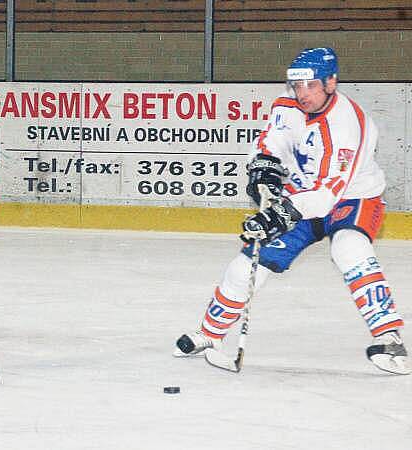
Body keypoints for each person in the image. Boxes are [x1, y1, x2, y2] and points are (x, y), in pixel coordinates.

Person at [174, 47, 410, 374]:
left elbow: (327, 196)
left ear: (331, 82)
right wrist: (264, 169)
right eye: (297, 86)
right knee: (245, 267)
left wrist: (279, 213)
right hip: (299, 197)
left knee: (349, 248)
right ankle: (210, 335)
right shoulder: (287, 102)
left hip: (352, 198)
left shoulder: (349, 125)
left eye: (311, 86)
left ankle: (390, 338)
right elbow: (273, 141)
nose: (302, 94)